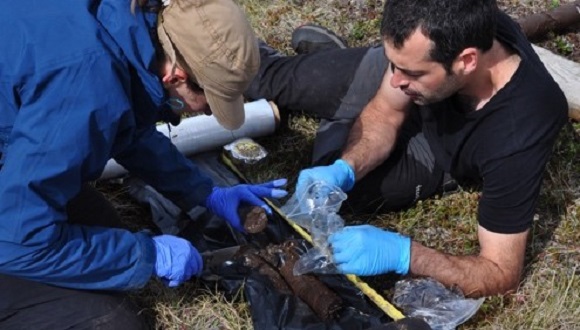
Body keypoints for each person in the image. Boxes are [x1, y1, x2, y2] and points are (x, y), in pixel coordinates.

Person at [246, 0, 568, 298]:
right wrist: (346, 168)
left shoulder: (519, 130)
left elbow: (500, 273)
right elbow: (388, 109)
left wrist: (405, 254)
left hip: (436, 153)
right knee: (267, 82)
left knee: (351, 198)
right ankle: (332, 76)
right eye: (394, 65)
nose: (396, 81)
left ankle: (337, 86)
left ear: (466, 61)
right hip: (422, 93)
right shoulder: (434, 36)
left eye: (411, 72)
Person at [0, 0, 287, 328]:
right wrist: (149, 254)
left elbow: (127, 128)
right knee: (113, 321)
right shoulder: (84, 86)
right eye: (211, 100)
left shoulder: (121, 26)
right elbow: (15, 240)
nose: (208, 113)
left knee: (103, 229)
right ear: (176, 76)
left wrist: (205, 192)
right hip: (9, 236)